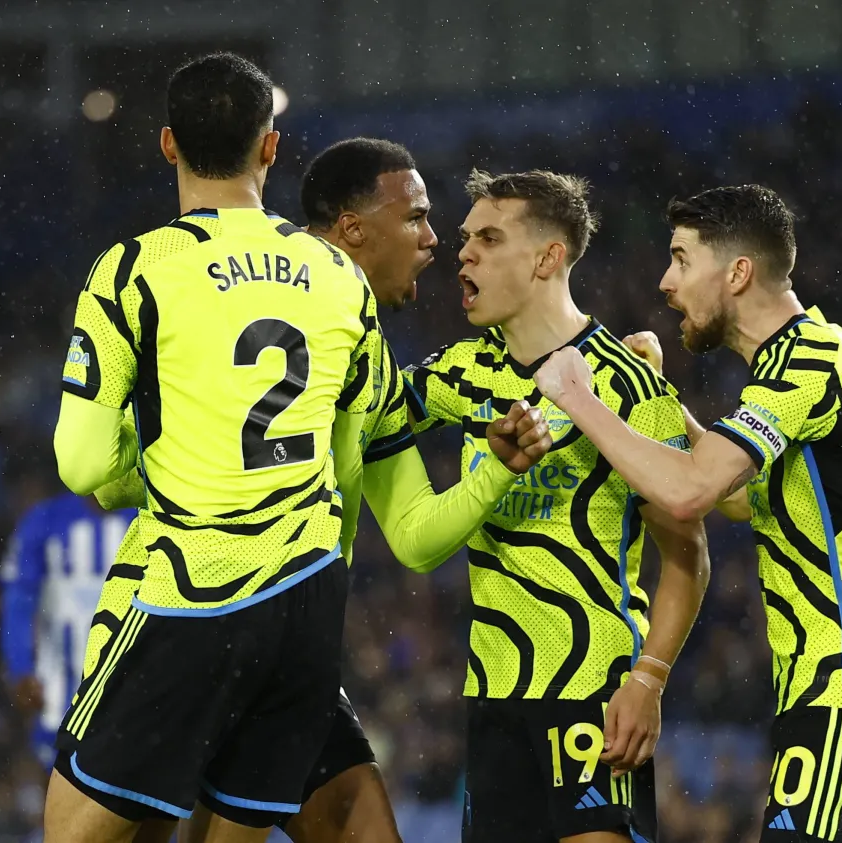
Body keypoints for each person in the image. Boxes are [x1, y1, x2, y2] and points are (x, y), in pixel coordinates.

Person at [40, 51, 518, 843]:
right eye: (417, 220)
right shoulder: (339, 279)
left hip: (192, 591)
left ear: (168, 145)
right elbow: (372, 464)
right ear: (270, 147)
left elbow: (83, 464)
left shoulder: (135, 269)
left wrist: (145, 463)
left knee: (75, 831)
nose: (434, 239)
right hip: (304, 603)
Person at [534, 184, 842, 843]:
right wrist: (660, 401)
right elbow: (733, 494)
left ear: (738, 273)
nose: (666, 282)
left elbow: (691, 492)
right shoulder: (819, 351)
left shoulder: (803, 364)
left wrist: (578, 397)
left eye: (681, 259)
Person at [403, 169, 712, 843]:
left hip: (593, 688)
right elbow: (359, 410)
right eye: (465, 239)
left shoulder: (629, 383)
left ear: (548, 257)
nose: (464, 253)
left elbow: (687, 557)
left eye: (489, 239)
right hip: (493, 693)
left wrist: (649, 680)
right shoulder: (457, 371)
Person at [0, 492, 135, 771]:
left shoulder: (146, 519)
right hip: (58, 693)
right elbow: (18, 601)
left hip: (132, 695)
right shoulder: (44, 521)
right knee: (57, 786)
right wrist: (21, 668)